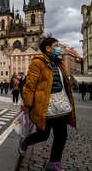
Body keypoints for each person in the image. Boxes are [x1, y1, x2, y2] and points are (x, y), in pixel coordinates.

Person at [19, 37, 76, 171]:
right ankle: (25, 141)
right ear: (48, 48)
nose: (59, 48)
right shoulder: (37, 63)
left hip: (61, 104)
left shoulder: (60, 63)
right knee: (43, 135)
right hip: (44, 104)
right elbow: (30, 85)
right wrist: (27, 104)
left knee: (62, 136)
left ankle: (54, 162)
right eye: (56, 46)